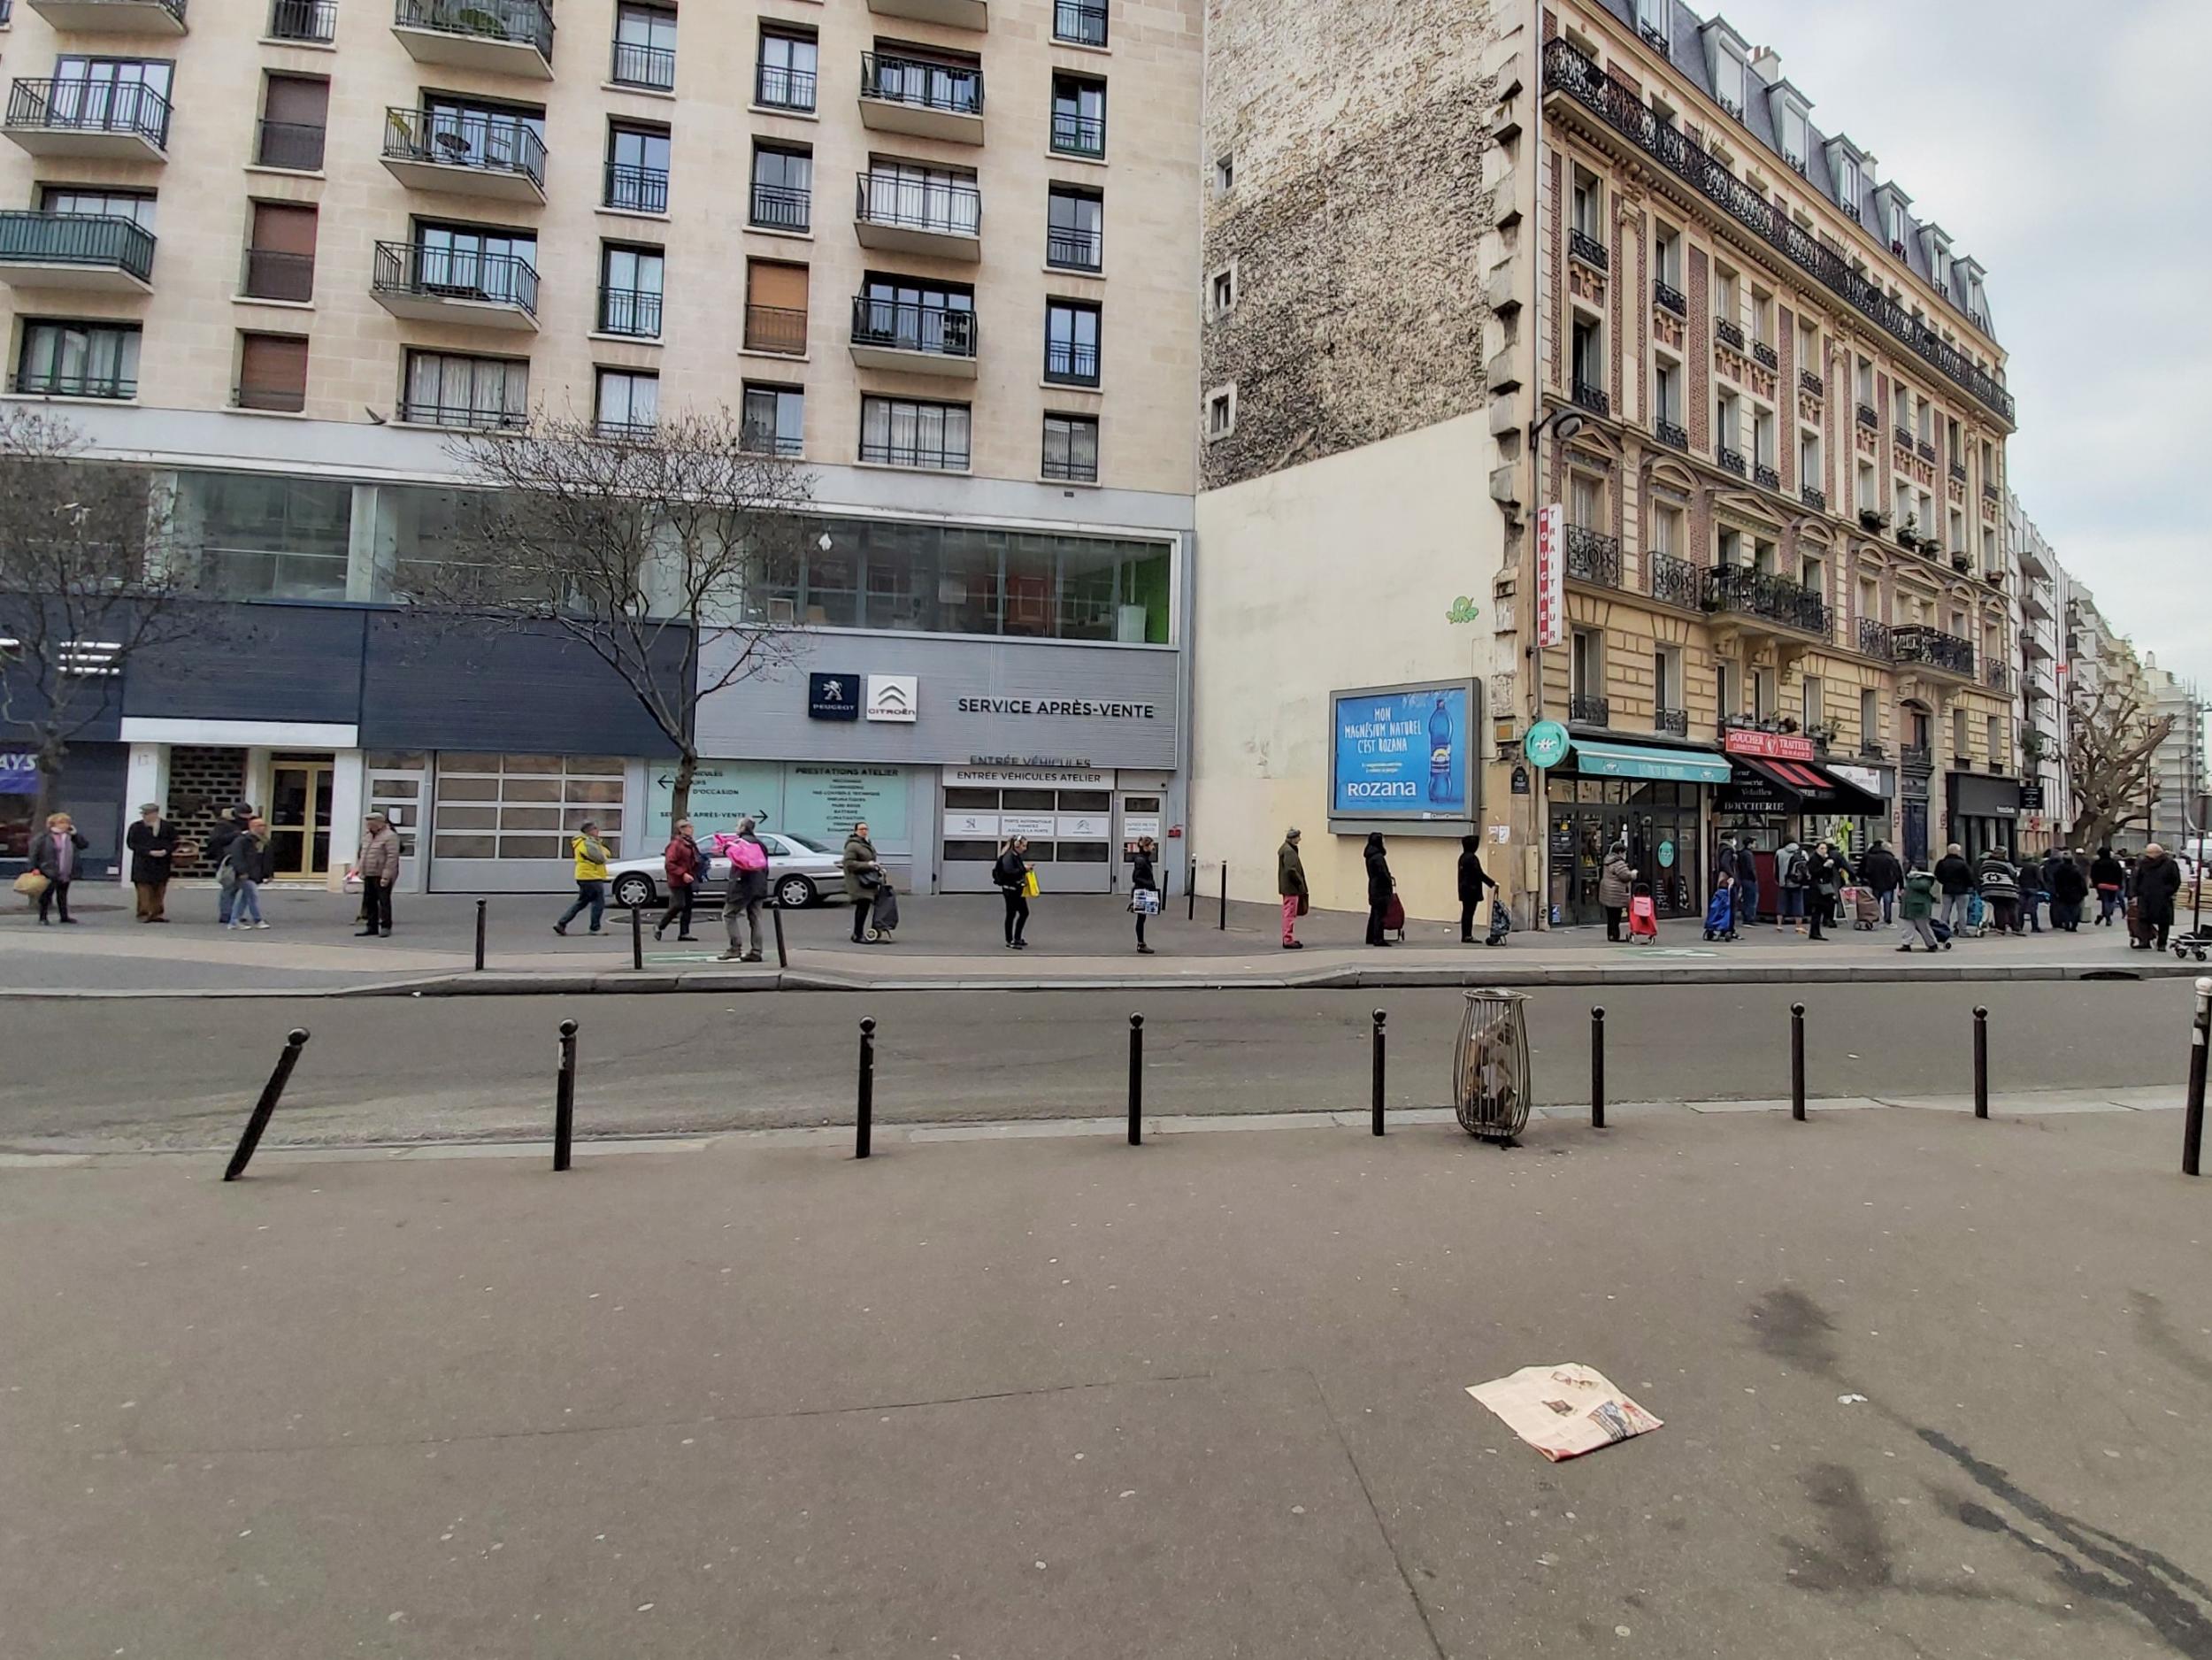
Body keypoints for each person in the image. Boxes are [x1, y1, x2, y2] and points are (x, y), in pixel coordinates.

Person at [718, 817, 770, 963]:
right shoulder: (760, 844)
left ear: (742, 828)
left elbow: (736, 862)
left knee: (728, 915)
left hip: (742, 885)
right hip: (759, 885)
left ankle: (735, 948)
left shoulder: (740, 843)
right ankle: (756, 950)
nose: (736, 828)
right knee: (755, 918)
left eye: (737, 826)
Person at [26, 811, 87, 925]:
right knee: (46, 895)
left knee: (62, 894)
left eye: (67, 822)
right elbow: (34, 853)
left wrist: (75, 835)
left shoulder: (70, 837)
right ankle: (43, 917)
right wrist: (33, 867)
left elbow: (83, 845)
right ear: (53, 824)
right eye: (62, 822)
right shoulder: (44, 837)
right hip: (48, 869)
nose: (65, 825)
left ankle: (64, 916)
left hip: (66, 869)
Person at [553, 820, 611, 936]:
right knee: (598, 902)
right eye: (595, 829)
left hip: (586, 876)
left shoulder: (590, 842)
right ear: (589, 831)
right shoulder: (587, 843)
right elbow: (600, 858)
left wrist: (601, 850)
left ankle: (561, 923)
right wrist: (602, 852)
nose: (598, 831)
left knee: (581, 902)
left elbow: (606, 852)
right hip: (591, 877)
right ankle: (595, 928)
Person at [125, 802, 179, 924]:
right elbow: (131, 844)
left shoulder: (167, 827)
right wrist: (148, 852)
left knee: (159, 889)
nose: (145, 816)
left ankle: (156, 913)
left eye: (147, 814)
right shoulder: (136, 827)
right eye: (144, 814)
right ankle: (144, 913)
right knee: (143, 890)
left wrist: (166, 851)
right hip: (143, 863)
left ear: (155, 814)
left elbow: (174, 842)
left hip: (162, 863)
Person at [204, 801, 255, 926]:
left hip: (243, 858)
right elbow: (216, 841)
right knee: (229, 887)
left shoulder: (248, 823)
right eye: (244, 816)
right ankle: (226, 914)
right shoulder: (223, 825)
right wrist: (237, 834)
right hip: (227, 859)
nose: (246, 819)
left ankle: (235, 913)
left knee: (241, 887)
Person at [654, 818, 704, 942]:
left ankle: (684, 933)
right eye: (688, 827)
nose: (691, 829)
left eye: (691, 827)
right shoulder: (675, 845)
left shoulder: (690, 843)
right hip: (677, 880)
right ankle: (659, 926)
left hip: (689, 878)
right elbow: (670, 863)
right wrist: (683, 874)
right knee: (678, 904)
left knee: (688, 906)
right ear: (681, 830)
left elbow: (693, 860)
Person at [223, 816, 273, 930]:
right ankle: (257, 919)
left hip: (255, 873)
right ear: (252, 827)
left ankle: (234, 920)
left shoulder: (264, 841)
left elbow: (267, 859)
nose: (263, 828)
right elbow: (237, 857)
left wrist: (268, 874)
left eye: (264, 825)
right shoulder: (242, 840)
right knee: (252, 896)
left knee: (245, 898)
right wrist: (242, 871)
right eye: (259, 826)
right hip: (245, 873)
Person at [355, 811, 400, 937]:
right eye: (368, 823)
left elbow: (392, 857)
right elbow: (363, 854)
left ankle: (386, 926)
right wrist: (360, 869)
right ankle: (371, 926)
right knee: (370, 901)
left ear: (379, 823)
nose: (368, 826)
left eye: (371, 823)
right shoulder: (367, 836)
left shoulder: (390, 836)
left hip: (382, 873)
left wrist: (386, 875)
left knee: (384, 901)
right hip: (369, 873)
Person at [2131, 842, 2183, 952]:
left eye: (2149, 853)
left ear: (2157, 853)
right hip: (2145, 896)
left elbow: (2176, 881)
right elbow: (2136, 879)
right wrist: (2135, 893)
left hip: (2162, 897)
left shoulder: (2170, 864)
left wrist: (2168, 891)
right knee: (2143, 919)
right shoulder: (2143, 864)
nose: (2147, 855)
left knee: (2163, 921)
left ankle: (2162, 943)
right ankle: (2144, 941)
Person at [841, 820, 881, 944]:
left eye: (866, 829)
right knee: (862, 907)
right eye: (861, 829)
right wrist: (868, 865)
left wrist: (876, 867)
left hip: (867, 881)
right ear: (855, 831)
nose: (864, 831)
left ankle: (857, 933)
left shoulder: (866, 843)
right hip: (858, 881)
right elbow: (848, 863)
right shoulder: (853, 845)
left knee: (864, 907)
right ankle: (858, 934)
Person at [1457, 834, 1500, 944]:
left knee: (1466, 912)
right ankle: (1467, 935)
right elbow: (1479, 874)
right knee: (1469, 913)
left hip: (1464, 889)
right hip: (1471, 890)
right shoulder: (1472, 858)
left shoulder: (1463, 857)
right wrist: (1492, 883)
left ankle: (1465, 934)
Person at [1896, 861, 1946, 952]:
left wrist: (1912, 880)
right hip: (1909, 906)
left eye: (1914, 869)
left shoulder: (1926, 878)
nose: (1912, 870)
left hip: (1919, 907)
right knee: (1907, 927)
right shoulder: (1911, 878)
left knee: (1924, 927)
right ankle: (1906, 944)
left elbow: (1923, 887)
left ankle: (1932, 944)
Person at [993, 835, 1031, 950]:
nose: (1025, 848)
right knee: (1012, 914)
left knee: (1024, 912)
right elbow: (1009, 871)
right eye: (1024, 845)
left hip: (1017, 888)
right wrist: (1025, 869)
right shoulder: (1009, 856)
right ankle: (1010, 940)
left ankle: (1017, 937)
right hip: (1010, 890)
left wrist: (1024, 867)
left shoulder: (1015, 855)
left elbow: (1016, 869)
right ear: (1017, 845)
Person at [1806, 841, 1847, 942]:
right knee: (1817, 910)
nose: (1824, 851)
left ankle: (1816, 931)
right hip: (1817, 888)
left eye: (1825, 849)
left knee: (1821, 909)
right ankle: (1815, 932)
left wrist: (1829, 866)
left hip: (1824, 887)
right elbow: (1814, 872)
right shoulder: (1814, 859)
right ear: (1817, 850)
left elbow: (1828, 874)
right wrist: (1824, 867)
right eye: (1822, 849)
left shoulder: (1825, 859)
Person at [1976, 846, 2021, 936]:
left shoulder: (1985, 863)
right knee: (2011, 908)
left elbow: (1981, 876)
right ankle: (2015, 928)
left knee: (1998, 908)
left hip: (1990, 890)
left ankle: (2000, 928)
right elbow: (2014, 874)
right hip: (2007, 889)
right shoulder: (2006, 864)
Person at [1858, 839, 1902, 926]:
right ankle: (1887, 919)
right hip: (1889, 884)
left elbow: (1866, 870)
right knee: (1887, 901)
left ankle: (1875, 917)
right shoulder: (1891, 858)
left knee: (1875, 901)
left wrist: (1866, 880)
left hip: (1875, 883)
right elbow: (1898, 873)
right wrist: (1901, 885)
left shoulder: (1872, 857)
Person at [1934, 842, 1975, 934]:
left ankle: (1943, 930)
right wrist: (1969, 886)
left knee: (1946, 910)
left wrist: (1944, 882)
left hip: (1947, 889)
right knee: (1962, 911)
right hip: (1962, 890)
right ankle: (1962, 930)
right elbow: (1969, 877)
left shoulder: (1942, 863)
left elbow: (1937, 875)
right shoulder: (1962, 864)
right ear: (1957, 852)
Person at [1598, 840, 1635, 941]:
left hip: (1607, 892)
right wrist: (1633, 874)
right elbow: (1625, 876)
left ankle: (1611, 935)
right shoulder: (1619, 863)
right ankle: (1615, 936)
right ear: (1620, 852)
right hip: (1616, 894)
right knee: (1616, 916)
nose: (1625, 855)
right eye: (1624, 853)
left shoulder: (1607, 861)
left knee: (1610, 916)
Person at [1277, 828, 1308, 950]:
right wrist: (1299, 882)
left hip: (1287, 886)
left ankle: (1287, 938)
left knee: (1288, 912)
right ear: (1293, 838)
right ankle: (1288, 939)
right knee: (1290, 913)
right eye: (1298, 837)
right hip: (1291, 887)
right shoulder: (1290, 851)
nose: (1299, 839)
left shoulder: (1285, 849)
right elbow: (1291, 870)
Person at [2044, 849, 2087, 932]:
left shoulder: (2059, 870)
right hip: (2075, 893)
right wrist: (2084, 891)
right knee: (2076, 909)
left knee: (2065, 909)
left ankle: (2067, 923)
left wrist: (2056, 891)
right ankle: (2074, 924)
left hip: (2063, 892)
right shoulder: (2076, 870)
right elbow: (2081, 882)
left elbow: (2057, 882)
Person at [1363, 832, 1394, 948]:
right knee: (1380, 914)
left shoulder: (1370, 855)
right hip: (1381, 889)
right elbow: (1383, 874)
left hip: (1373, 886)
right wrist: (1389, 883)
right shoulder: (1378, 857)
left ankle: (1370, 937)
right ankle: (1378, 938)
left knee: (1374, 913)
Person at [1130, 835, 1159, 954]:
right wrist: (1149, 884)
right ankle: (1141, 944)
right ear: (1146, 847)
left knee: (1142, 918)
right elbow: (1135, 877)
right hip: (1142, 892)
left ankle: (1141, 943)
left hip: (1144, 891)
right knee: (1141, 918)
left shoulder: (1144, 859)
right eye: (1152, 845)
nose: (1153, 847)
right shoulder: (1141, 860)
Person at [1776, 838, 1810, 934]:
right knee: (1798, 903)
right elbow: (1807, 867)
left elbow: (1776, 868)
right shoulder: (1802, 852)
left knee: (1781, 903)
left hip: (1783, 881)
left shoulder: (1779, 852)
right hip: (1797, 882)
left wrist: (1778, 880)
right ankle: (1798, 926)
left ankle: (1779, 925)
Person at [2090, 845, 2126, 926]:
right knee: (2111, 901)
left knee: (2105, 901)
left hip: (2101, 885)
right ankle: (2106, 916)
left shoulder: (2097, 863)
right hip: (2113, 885)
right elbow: (2119, 874)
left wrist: (2095, 884)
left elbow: (2093, 875)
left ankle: (2105, 916)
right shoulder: (2115, 863)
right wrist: (2119, 884)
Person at [2016, 851, 2046, 934]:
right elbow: (2039, 878)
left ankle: (2020, 926)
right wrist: (2043, 887)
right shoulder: (2035, 866)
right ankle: (2035, 927)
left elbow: (2017, 878)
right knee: (2033, 909)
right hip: (2033, 889)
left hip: (2022, 889)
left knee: (2020, 909)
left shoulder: (2020, 867)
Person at [1735, 839, 1761, 929]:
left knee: (1746, 899)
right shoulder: (1748, 854)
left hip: (1743, 878)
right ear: (1750, 844)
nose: (1755, 845)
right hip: (1749, 879)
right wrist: (1754, 878)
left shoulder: (1741, 853)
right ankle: (1749, 919)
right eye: (1754, 843)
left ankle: (1746, 917)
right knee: (1752, 899)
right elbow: (1751, 868)